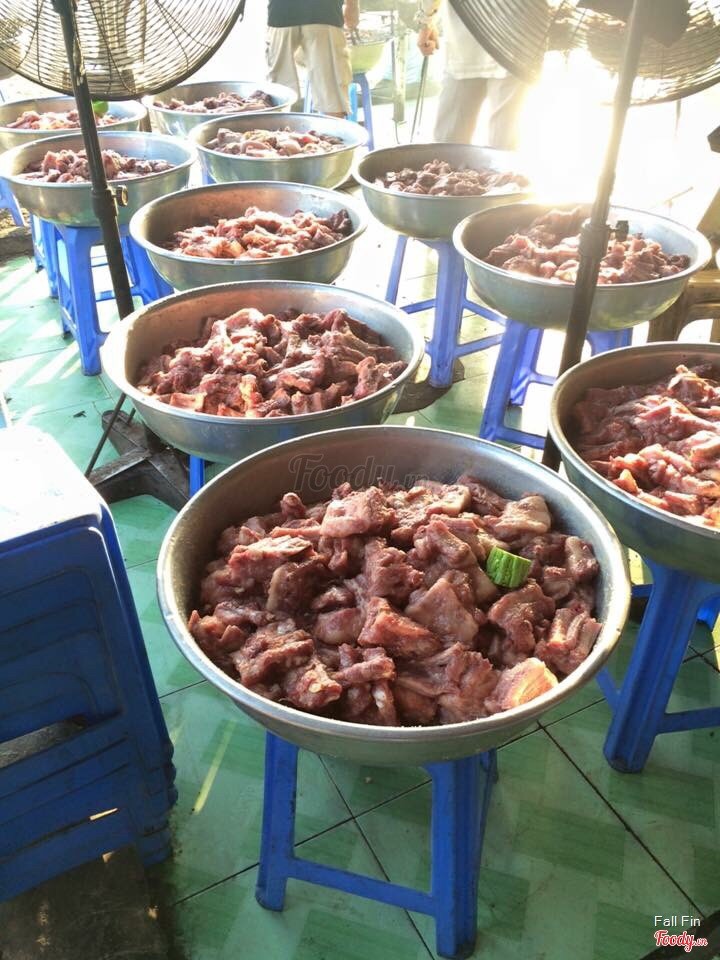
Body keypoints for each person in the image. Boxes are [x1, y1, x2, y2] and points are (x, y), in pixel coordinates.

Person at [416, 0, 527, 149]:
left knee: (449, 145)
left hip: (469, 37)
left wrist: (426, 21)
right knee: (503, 143)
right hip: (517, 33)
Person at [267, 1, 360, 118]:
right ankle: (333, 129)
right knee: (331, 92)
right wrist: (352, 6)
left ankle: (278, 126)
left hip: (282, 11)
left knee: (280, 89)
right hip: (324, 12)